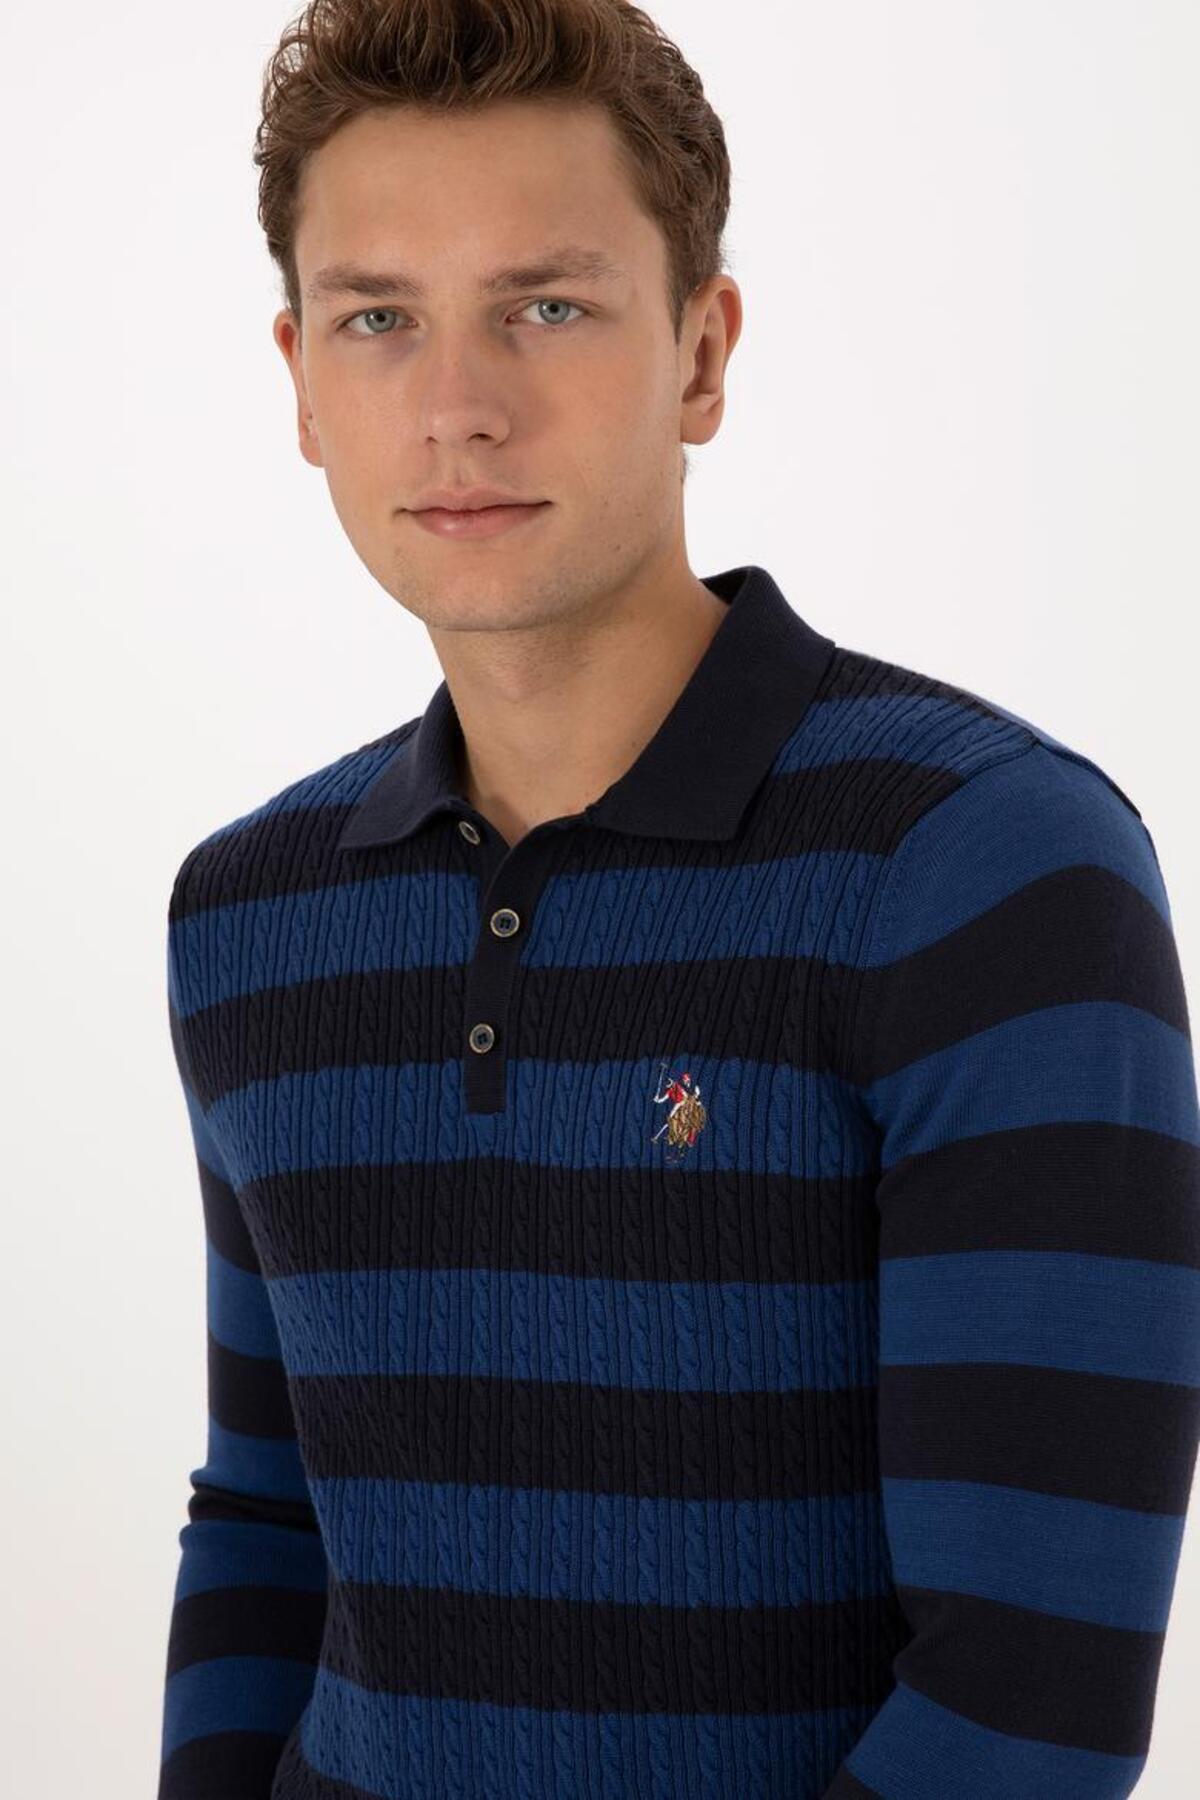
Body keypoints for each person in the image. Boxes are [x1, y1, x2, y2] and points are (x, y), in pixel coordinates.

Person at [156, 3, 1200, 1797]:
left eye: (547, 307)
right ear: (301, 383)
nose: (460, 406)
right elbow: (266, 1523)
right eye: (379, 319)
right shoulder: (247, 914)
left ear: (704, 353)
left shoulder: (987, 871)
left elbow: (1026, 1697)